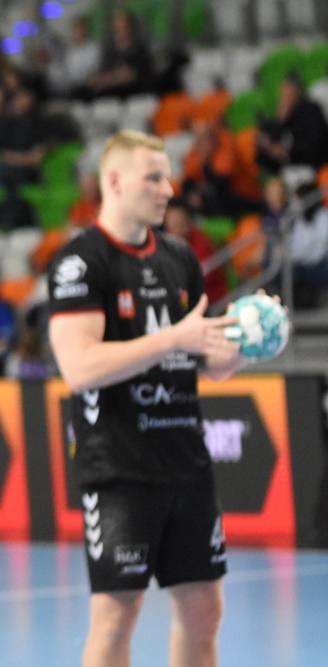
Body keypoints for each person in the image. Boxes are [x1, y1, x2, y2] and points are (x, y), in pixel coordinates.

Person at [46, 130, 252, 667]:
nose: (169, 189)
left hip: (186, 464)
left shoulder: (180, 257)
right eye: (154, 178)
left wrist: (250, 343)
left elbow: (208, 362)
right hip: (119, 471)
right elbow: (79, 368)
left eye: (168, 177)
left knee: (204, 611)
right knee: (117, 617)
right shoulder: (80, 262)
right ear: (114, 181)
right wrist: (172, 338)